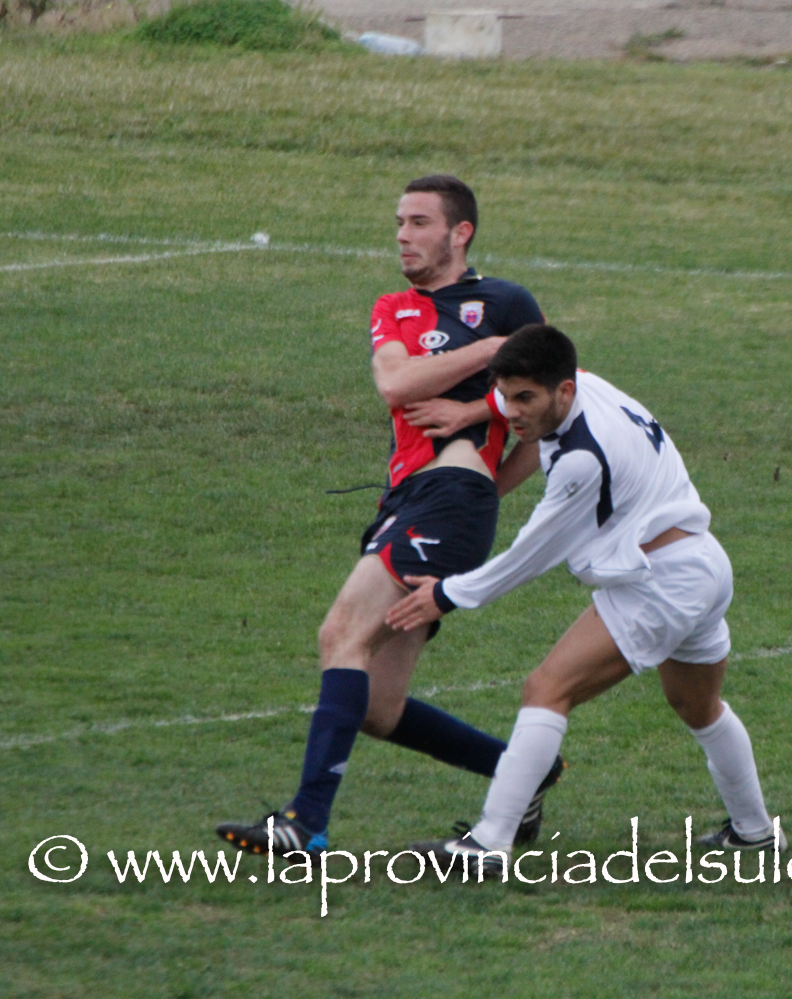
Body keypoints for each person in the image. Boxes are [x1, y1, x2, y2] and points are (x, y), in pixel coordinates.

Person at [215, 175, 561, 857]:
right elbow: (397, 384)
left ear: (460, 233)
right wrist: (493, 350)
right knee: (378, 708)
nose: (402, 235)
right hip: (407, 500)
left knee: (341, 632)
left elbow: (552, 412)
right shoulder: (394, 307)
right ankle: (525, 773)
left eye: (419, 222)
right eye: (399, 222)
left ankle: (304, 823)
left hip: (450, 498)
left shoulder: (505, 301)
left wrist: (481, 468)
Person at [385, 323, 784, 871]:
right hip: (703, 565)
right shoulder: (584, 384)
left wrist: (449, 593)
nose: (512, 411)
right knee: (698, 706)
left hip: (659, 583)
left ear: (563, 390)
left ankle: (489, 845)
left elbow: (531, 553)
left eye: (525, 399)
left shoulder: (582, 460)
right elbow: (521, 402)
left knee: (546, 689)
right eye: (504, 395)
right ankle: (755, 833)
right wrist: (473, 412)